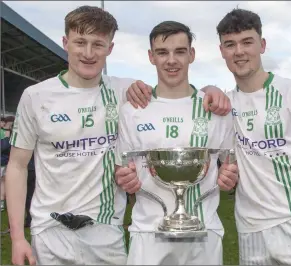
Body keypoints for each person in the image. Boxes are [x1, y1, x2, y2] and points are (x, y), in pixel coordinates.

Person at [5, 5, 230, 266]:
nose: (88, 53)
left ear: (110, 49)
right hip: (51, 230)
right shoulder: (35, 96)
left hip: (107, 231)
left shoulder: (127, 92)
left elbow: (173, 91)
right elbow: (18, 166)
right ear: (66, 42)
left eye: (98, 45)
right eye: (80, 42)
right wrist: (18, 237)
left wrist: (212, 89)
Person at [216, 8, 291, 266]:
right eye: (230, 44)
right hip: (249, 229)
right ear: (222, 51)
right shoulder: (226, 106)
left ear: (262, 45)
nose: (239, 51)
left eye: (247, 42)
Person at [114, 21, 238, 265]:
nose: (171, 60)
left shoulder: (215, 108)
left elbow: (231, 165)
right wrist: (124, 177)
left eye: (180, 51)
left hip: (205, 231)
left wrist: (230, 176)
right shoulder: (133, 110)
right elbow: (122, 167)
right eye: (162, 52)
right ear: (151, 57)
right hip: (148, 233)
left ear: (191, 54)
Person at [1, 116, 15, 212]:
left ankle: (2, 202)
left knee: (4, 182)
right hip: (4, 161)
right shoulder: (4, 132)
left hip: (6, 162)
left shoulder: (7, 132)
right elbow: (4, 147)